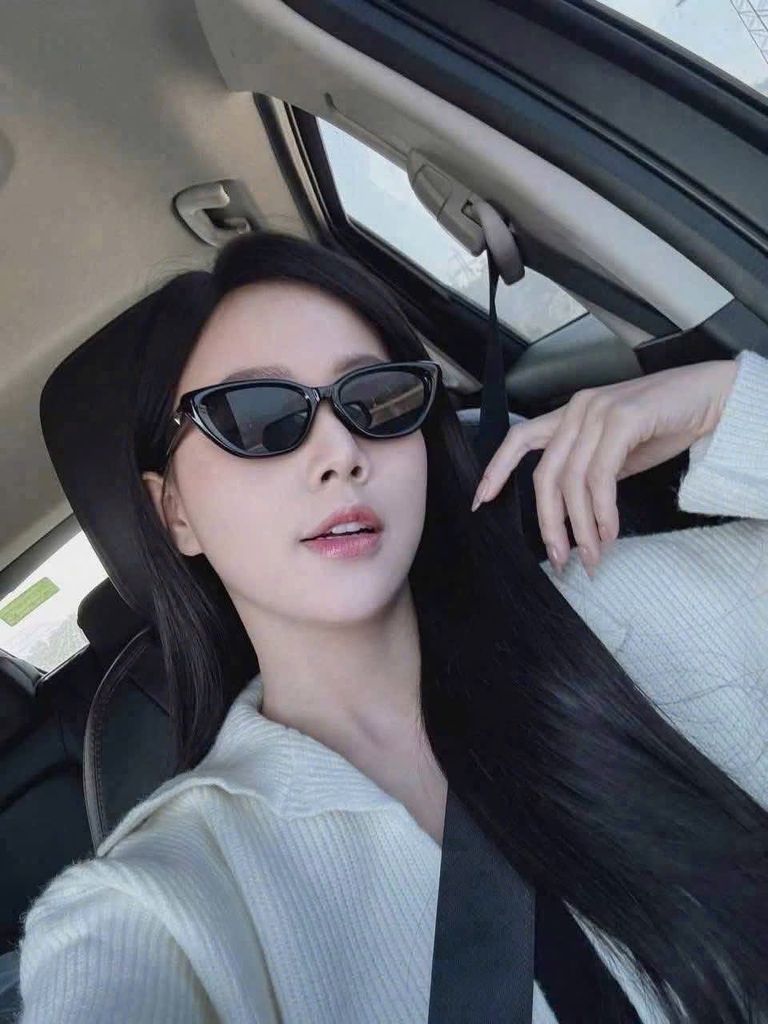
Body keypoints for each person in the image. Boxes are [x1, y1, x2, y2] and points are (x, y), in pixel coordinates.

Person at [14, 230, 768, 1024]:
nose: (340, 451)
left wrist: (724, 403)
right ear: (175, 513)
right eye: (256, 416)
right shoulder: (163, 905)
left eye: (375, 400)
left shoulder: (617, 614)